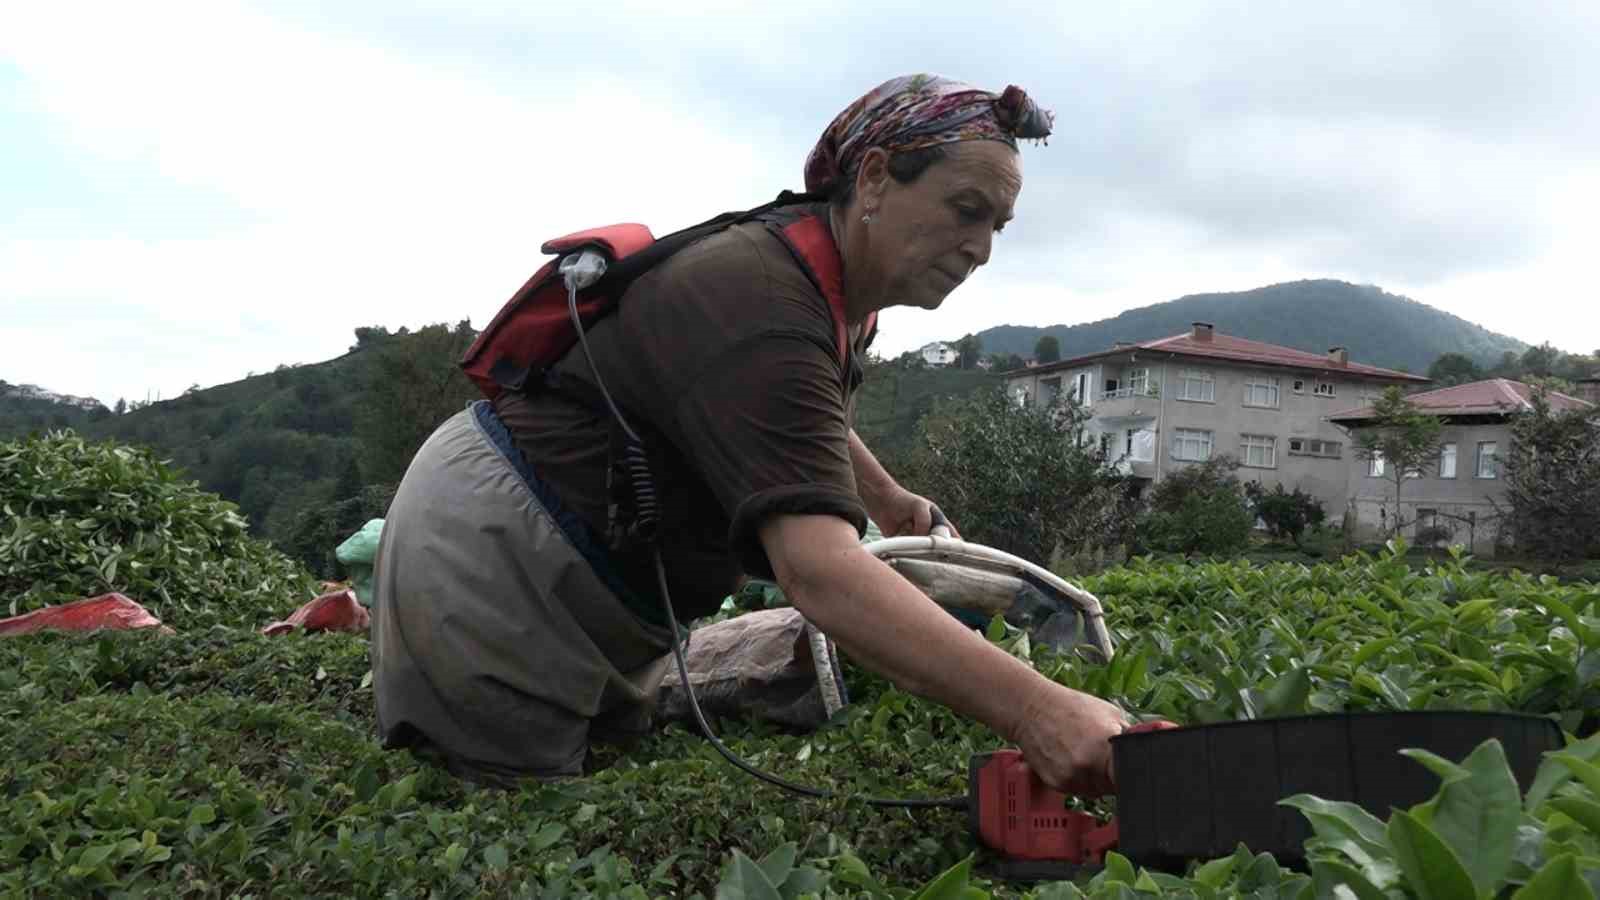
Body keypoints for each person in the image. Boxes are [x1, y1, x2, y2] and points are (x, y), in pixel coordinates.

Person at [369, 73, 1129, 796]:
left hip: (597, 583)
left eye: (996, 225)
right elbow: (819, 571)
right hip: (500, 558)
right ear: (872, 179)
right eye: (965, 210)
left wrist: (887, 498)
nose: (982, 249)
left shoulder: (837, 291)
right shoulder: (763, 297)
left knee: (598, 773)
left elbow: (795, 410)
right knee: (510, 815)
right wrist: (1038, 710)